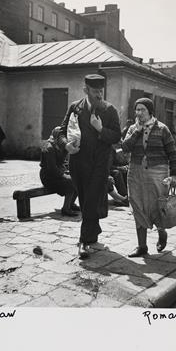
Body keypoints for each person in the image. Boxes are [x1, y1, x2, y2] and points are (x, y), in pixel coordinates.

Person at [60, 74, 121, 258]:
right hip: (78, 163)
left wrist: (100, 129)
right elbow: (62, 130)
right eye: (95, 91)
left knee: (92, 199)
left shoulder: (109, 110)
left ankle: (84, 242)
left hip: (100, 164)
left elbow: (117, 136)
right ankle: (93, 231)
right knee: (87, 200)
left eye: (101, 91)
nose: (99, 95)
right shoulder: (75, 108)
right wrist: (66, 145)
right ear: (86, 90)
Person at [122, 98, 176, 257]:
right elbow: (125, 147)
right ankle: (142, 246)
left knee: (157, 206)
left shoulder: (162, 129)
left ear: (150, 111)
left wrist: (174, 174)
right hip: (136, 171)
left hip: (158, 172)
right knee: (137, 205)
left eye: (142, 110)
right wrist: (137, 130)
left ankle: (162, 232)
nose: (139, 113)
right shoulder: (133, 128)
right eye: (137, 110)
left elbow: (172, 153)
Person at [39, 127, 78, 216]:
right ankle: (66, 208)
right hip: (48, 176)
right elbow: (52, 168)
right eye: (62, 136)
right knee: (71, 182)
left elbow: (64, 162)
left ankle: (71, 204)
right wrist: (65, 175)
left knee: (78, 179)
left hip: (58, 172)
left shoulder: (61, 146)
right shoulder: (48, 147)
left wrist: (67, 171)